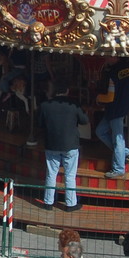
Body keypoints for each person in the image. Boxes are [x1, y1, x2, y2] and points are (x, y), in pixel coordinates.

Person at [39, 78, 88, 210]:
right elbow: (84, 120)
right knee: (70, 175)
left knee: (51, 174)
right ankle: (70, 204)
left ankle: (48, 202)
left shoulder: (45, 105)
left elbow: (40, 124)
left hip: (51, 144)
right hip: (70, 144)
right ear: (67, 91)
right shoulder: (74, 104)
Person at [96, 58, 129, 178]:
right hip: (124, 106)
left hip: (114, 109)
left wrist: (99, 98)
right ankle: (126, 153)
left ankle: (119, 168)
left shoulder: (112, 73)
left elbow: (110, 97)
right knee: (100, 131)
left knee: (118, 139)